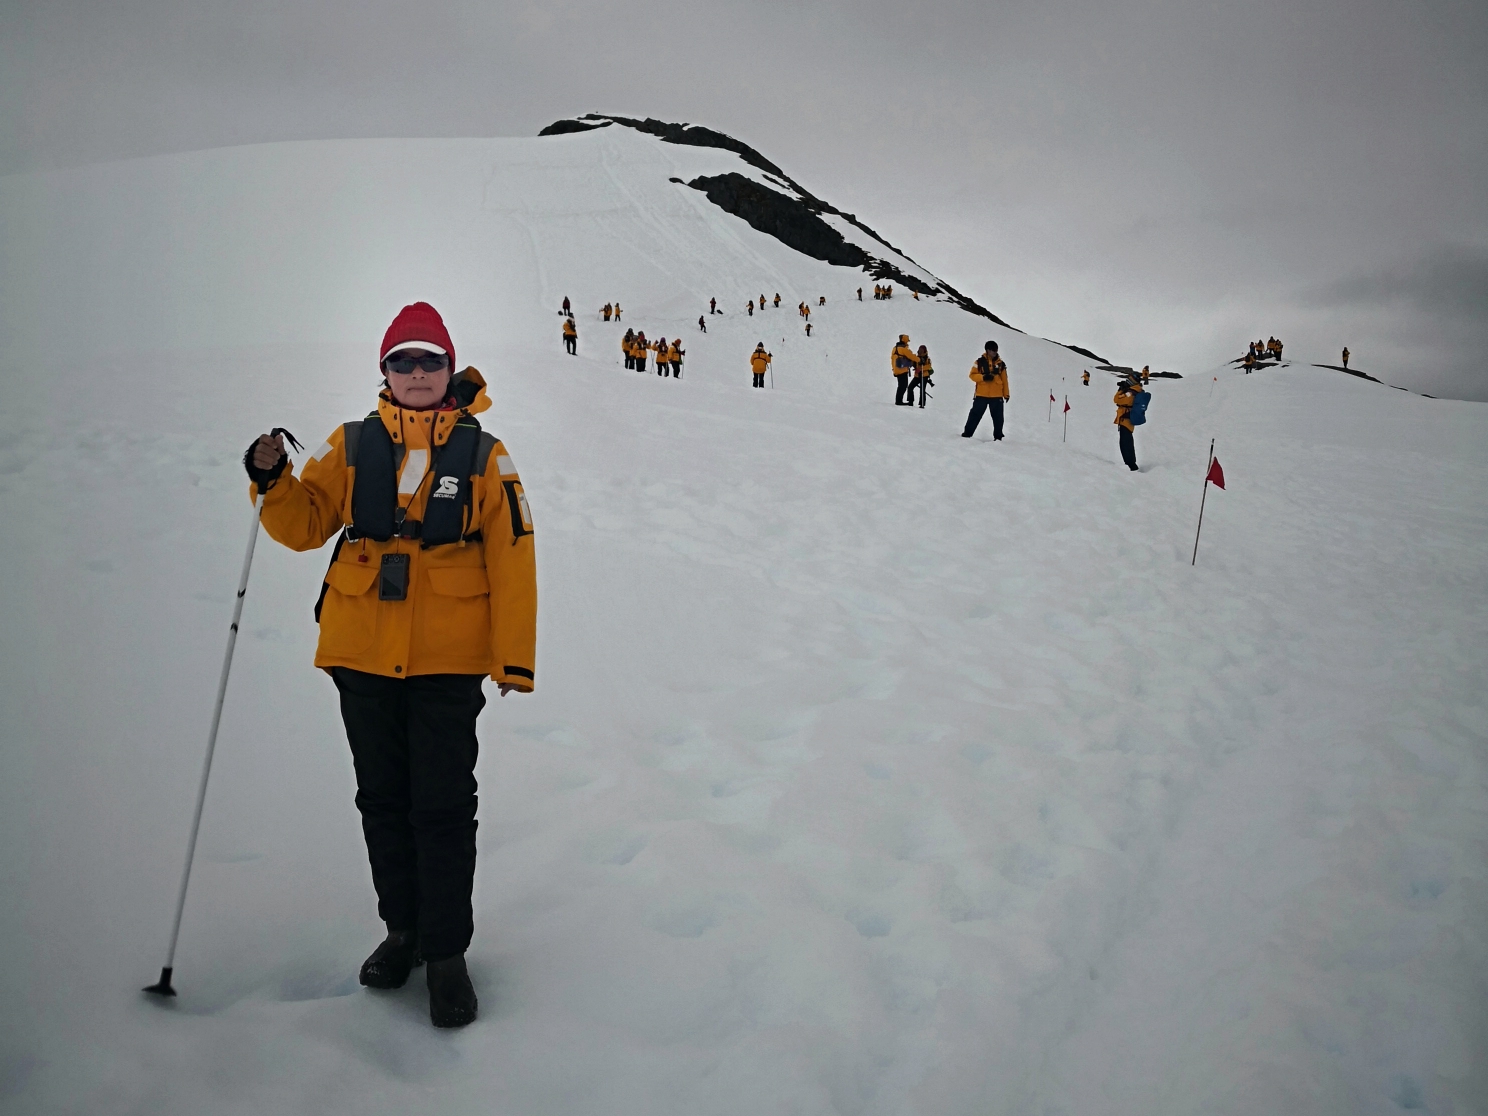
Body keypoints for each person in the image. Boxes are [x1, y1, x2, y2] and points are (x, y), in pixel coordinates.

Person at [242, 302, 536, 1029]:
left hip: (447, 660)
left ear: (448, 369)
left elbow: (514, 554)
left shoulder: (486, 453)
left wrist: (514, 658)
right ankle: (400, 932)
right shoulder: (348, 445)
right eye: (401, 360)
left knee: (441, 808)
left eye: (429, 360)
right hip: (362, 655)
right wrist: (271, 481)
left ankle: (446, 956)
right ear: (384, 370)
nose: (415, 373)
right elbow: (306, 525)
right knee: (381, 801)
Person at [960, 340, 1009, 439]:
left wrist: (1006, 394)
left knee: (998, 418)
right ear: (987, 350)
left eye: (996, 350)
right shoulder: (978, 362)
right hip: (981, 394)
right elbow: (972, 375)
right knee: (975, 415)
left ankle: (998, 437)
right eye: (992, 350)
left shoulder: (1001, 364)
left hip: (997, 395)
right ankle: (967, 434)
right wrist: (983, 377)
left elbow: (1005, 380)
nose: (995, 352)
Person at [1113, 375, 1140, 470]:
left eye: (1130, 380)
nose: (1128, 381)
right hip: (1126, 419)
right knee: (1126, 442)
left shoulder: (1131, 392)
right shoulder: (1135, 390)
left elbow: (1116, 399)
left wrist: (1120, 390)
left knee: (1125, 443)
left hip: (1126, 420)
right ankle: (1131, 463)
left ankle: (1131, 465)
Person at [891, 334, 919, 406]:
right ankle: (899, 401)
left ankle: (898, 400)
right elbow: (911, 357)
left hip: (896, 369)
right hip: (902, 370)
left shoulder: (895, 348)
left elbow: (892, 359)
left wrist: (894, 369)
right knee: (903, 385)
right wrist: (919, 360)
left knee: (900, 385)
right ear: (905, 340)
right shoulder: (903, 349)